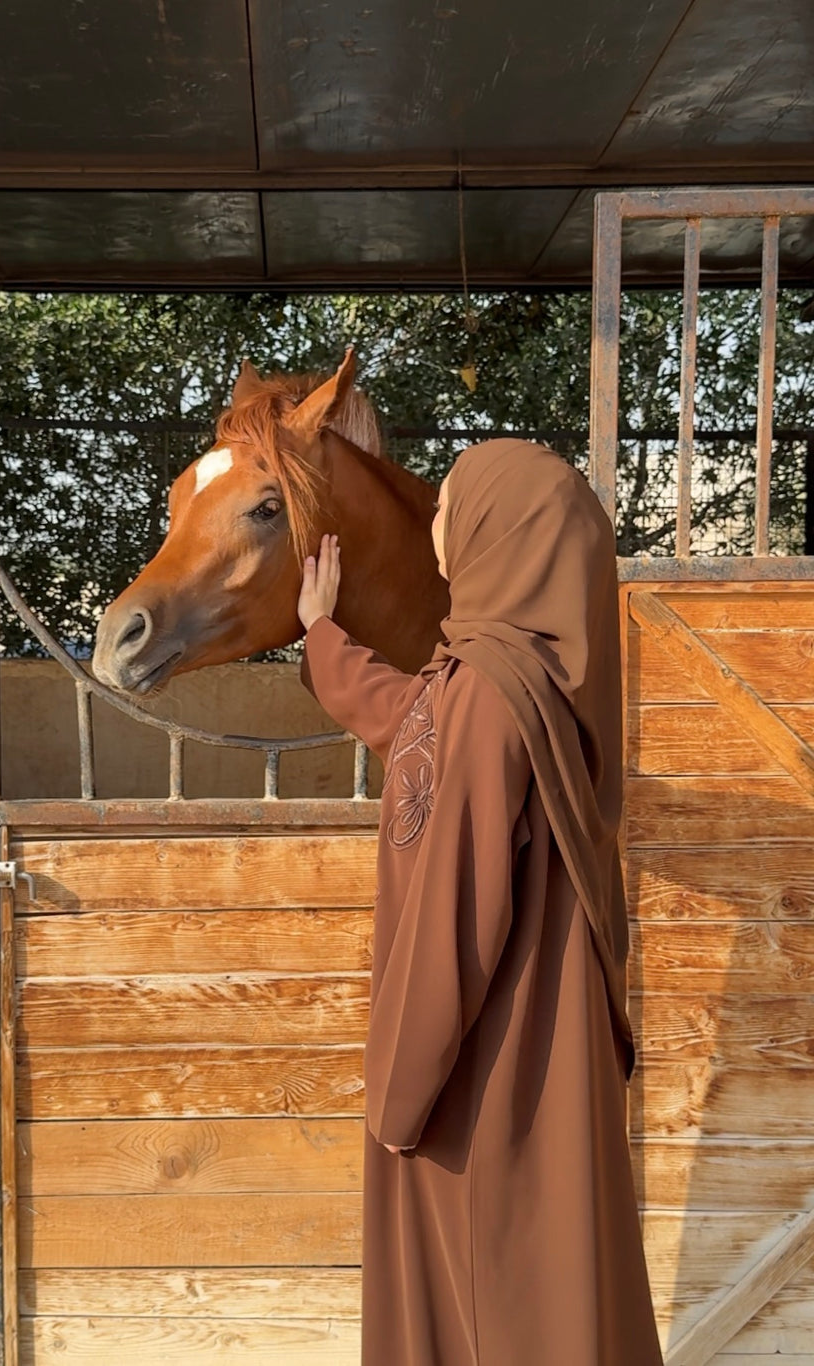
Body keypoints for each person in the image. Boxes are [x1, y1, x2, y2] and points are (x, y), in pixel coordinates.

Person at [297, 440, 663, 1366]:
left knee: (486, 1309)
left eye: (448, 508)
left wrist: (398, 1094)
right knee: (558, 1293)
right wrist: (323, 637)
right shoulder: (543, 685)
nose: (438, 529)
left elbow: (452, 914)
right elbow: (413, 721)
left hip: (477, 1080)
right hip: (552, 1060)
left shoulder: (487, 694)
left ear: (501, 530)